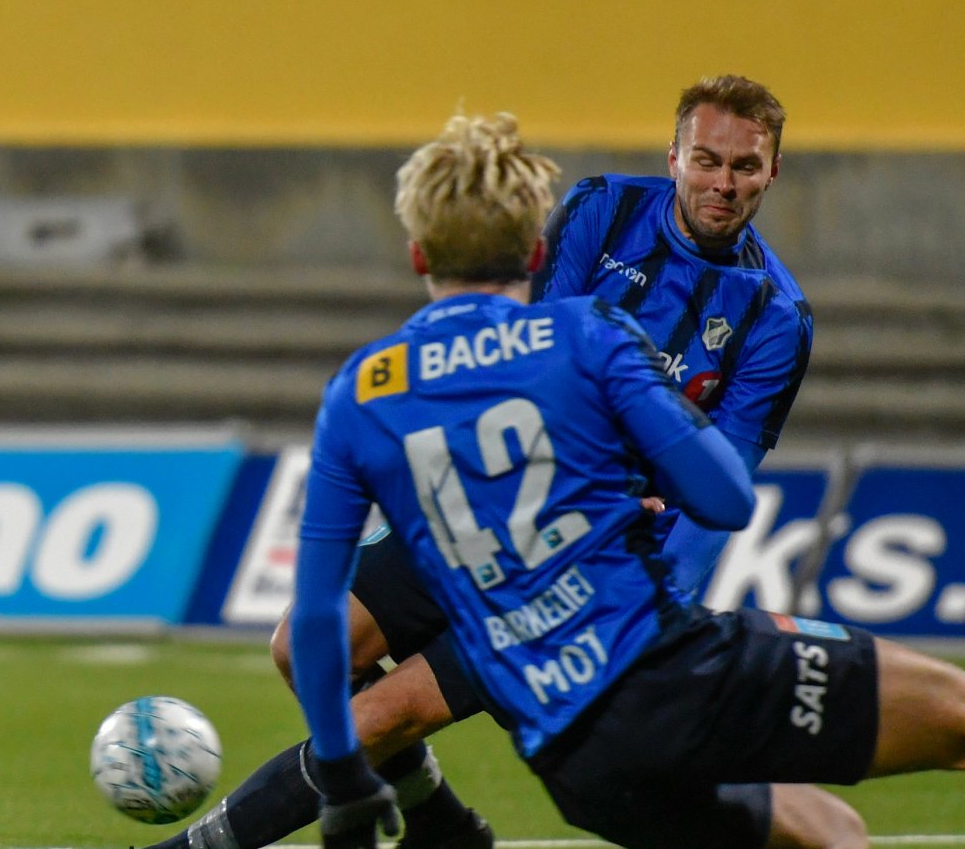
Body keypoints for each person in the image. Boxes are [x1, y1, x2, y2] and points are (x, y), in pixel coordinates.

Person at [147, 75, 816, 849]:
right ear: (673, 157)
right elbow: (523, 358)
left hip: (579, 568)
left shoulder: (776, 317)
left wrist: (644, 618)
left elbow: (719, 497)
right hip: (478, 503)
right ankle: (443, 826)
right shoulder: (602, 211)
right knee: (303, 651)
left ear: (772, 173)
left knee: (381, 715)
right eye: (707, 161)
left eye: (744, 167)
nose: (723, 184)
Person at [288, 110, 965, 849]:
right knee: (951, 719)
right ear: (537, 248)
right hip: (666, 672)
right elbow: (726, 500)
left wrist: (345, 775)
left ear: (418, 257)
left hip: (573, 761)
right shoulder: (590, 334)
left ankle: (435, 819)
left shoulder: (360, 389)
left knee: (828, 831)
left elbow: (315, 620)